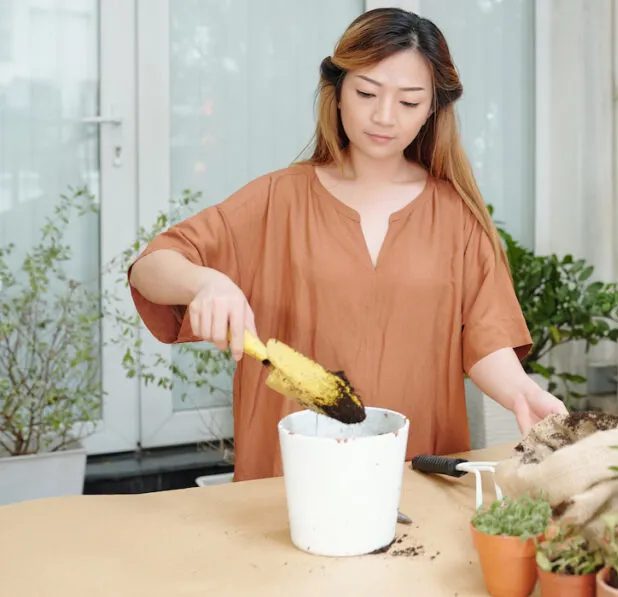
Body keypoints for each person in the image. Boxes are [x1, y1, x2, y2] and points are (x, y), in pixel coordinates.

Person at [127, 7, 568, 482]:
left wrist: (522, 393)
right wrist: (204, 282)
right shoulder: (278, 200)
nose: (383, 117)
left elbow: (485, 339)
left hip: (416, 475)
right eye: (366, 93)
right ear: (336, 94)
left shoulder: (457, 216)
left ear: (432, 110)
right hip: (291, 478)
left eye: (409, 102)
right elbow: (150, 269)